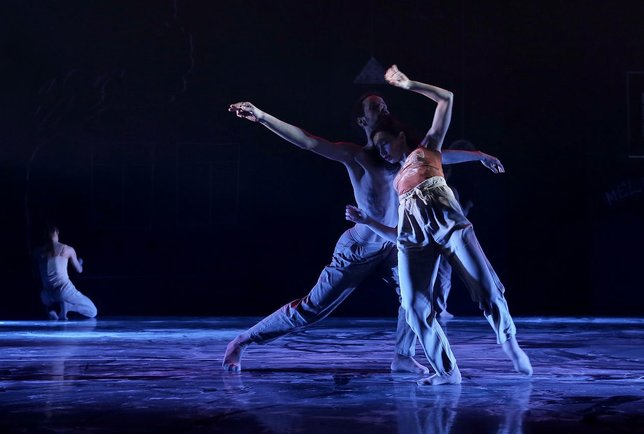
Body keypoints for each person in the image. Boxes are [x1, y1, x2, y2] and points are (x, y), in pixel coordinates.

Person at [223, 96, 504, 373]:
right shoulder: (355, 156)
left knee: (417, 299)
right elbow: (307, 141)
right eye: (375, 106)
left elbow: (438, 156)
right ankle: (242, 341)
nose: (384, 108)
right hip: (359, 248)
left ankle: (403, 356)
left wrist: (480, 156)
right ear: (362, 120)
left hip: (393, 245)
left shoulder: (400, 152)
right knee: (312, 308)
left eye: (385, 105)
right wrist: (262, 116)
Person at [346, 65, 532, 385]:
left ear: (400, 136)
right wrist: (368, 221)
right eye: (378, 149)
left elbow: (446, 99)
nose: (383, 152)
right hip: (414, 238)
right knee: (413, 305)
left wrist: (409, 84)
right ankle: (447, 371)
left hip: (449, 225)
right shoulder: (396, 181)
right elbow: (398, 233)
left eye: (385, 144)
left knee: (485, 287)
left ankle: (509, 344)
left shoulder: (427, 150)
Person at [35, 225, 97, 320]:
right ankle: (68, 307)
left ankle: (51, 310)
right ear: (57, 233)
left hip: (46, 294)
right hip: (63, 290)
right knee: (92, 311)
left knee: (47, 299)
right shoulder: (67, 249)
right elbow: (79, 270)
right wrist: (80, 262)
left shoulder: (37, 252)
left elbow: (37, 273)